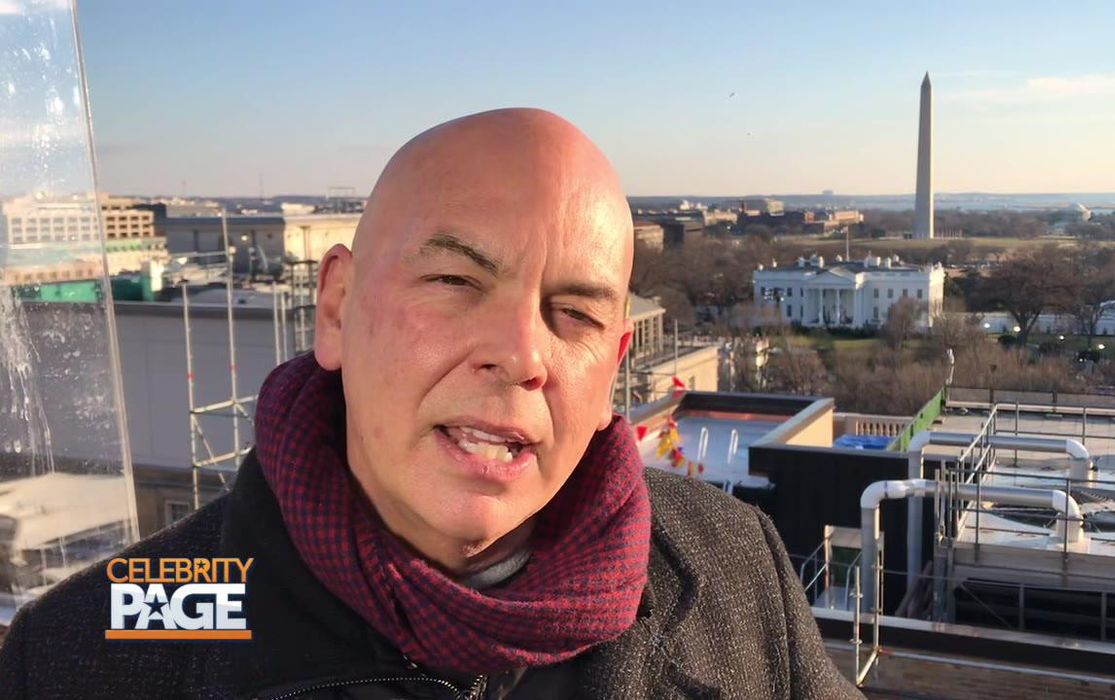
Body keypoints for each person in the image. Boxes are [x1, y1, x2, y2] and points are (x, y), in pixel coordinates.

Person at [0, 109, 862, 699]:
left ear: (612, 371)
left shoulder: (734, 566)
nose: (523, 355)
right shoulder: (94, 646)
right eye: (454, 280)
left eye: (574, 314)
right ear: (335, 308)